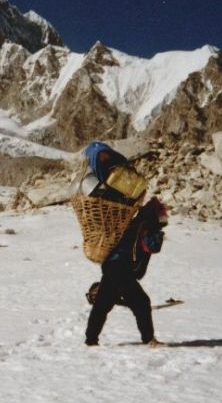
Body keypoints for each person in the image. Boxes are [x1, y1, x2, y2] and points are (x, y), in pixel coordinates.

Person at [82, 145, 163, 347]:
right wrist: (157, 228)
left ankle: (90, 340)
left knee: (103, 303)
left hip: (113, 264)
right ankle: (149, 340)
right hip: (120, 265)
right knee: (141, 302)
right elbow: (152, 246)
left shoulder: (133, 216)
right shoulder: (143, 220)